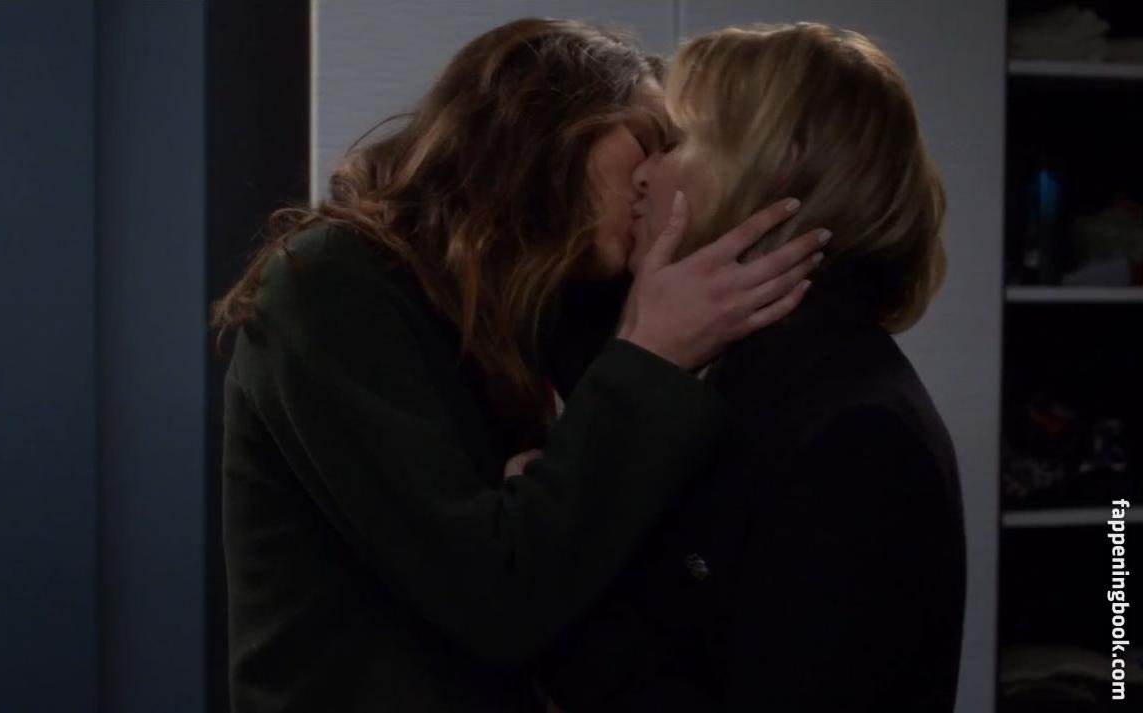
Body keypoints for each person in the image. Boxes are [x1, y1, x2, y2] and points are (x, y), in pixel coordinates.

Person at [210, 18, 826, 713]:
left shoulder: (547, 303)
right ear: (540, 128)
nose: (654, 176)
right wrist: (650, 355)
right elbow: (495, 597)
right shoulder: (332, 288)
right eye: (644, 142)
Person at [538, 22, 967, 712]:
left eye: (677, 143)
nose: (643, 174)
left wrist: (558, 601)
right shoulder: (753, 370)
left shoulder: (854, 437)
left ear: (778, 169)